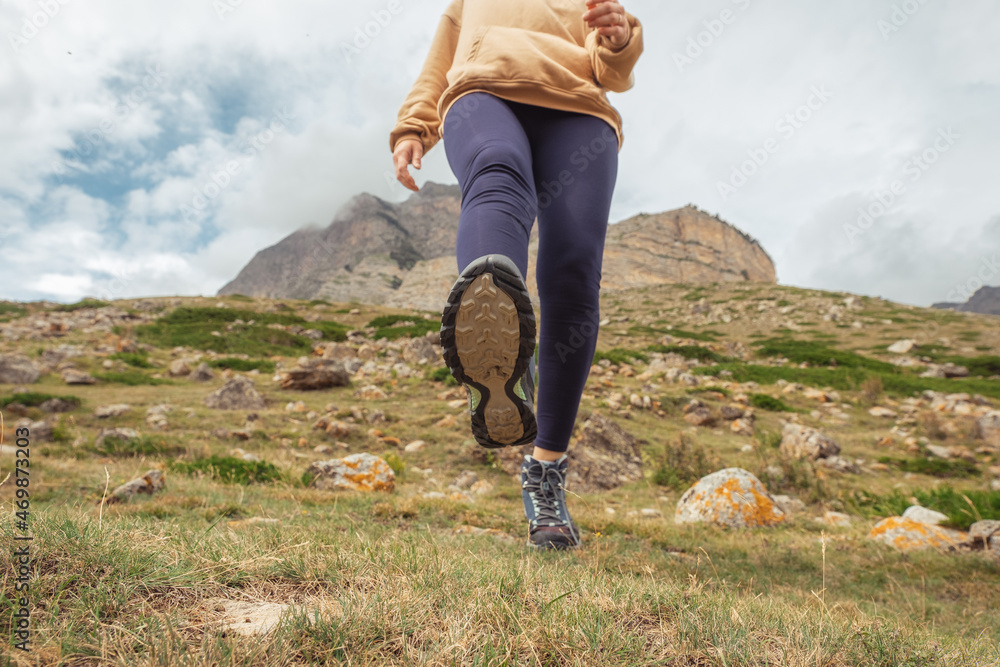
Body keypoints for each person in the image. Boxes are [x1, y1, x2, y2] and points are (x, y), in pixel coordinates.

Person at [389, 0, 643, 550]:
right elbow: (441, 60)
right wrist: (414, 124)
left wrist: (621, 37)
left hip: (579, 111)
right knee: (497, 168)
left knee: (574, 267)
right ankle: (498, 334)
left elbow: (612, 72)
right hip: (483, 92)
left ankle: (545, 471)